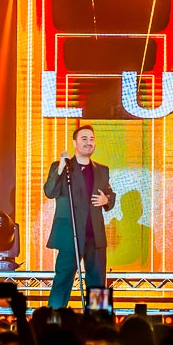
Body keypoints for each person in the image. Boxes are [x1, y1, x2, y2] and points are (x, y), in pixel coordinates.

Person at [44, 124, 116, 309]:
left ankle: (98, 320)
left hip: (94, 236)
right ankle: (54, 319)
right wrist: (61, 167)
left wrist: (106, 199)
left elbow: (109, 193)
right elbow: (50, 191)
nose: (89, 142)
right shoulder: (61, 167)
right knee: (63, 279)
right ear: (75, 143)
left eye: (92, 139)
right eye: (84, 139)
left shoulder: (102, 170)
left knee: (98, 283)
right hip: (71, 234)